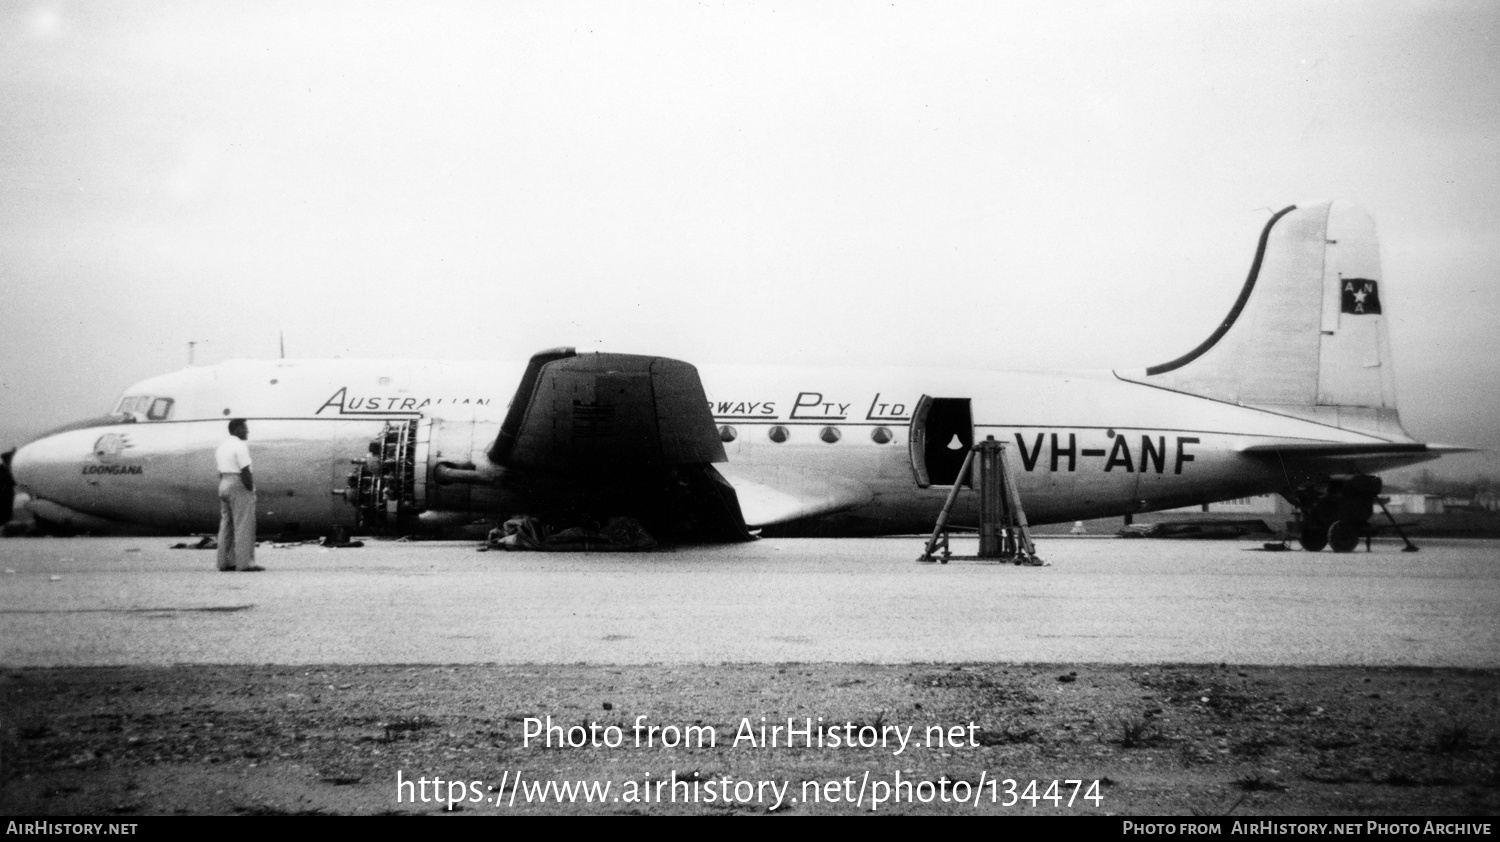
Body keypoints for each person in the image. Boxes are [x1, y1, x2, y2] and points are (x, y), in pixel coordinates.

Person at [215, 419, 262, 571]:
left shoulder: (222, 446)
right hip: (237, 483)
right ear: (237, 429)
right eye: (245, 428)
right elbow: (245, 470)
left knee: (226, 525)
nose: (247, 431)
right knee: (244, 524)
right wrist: (249, 489)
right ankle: (244, 563)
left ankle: (225, 562)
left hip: (224, 483)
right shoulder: (240, 446)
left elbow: (220, 472)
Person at [0, 449, 15, 529]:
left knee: (7, 512)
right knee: (3, 512)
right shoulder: (2, 470)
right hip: (3, 495)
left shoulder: (10, 470)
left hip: (8, 495)